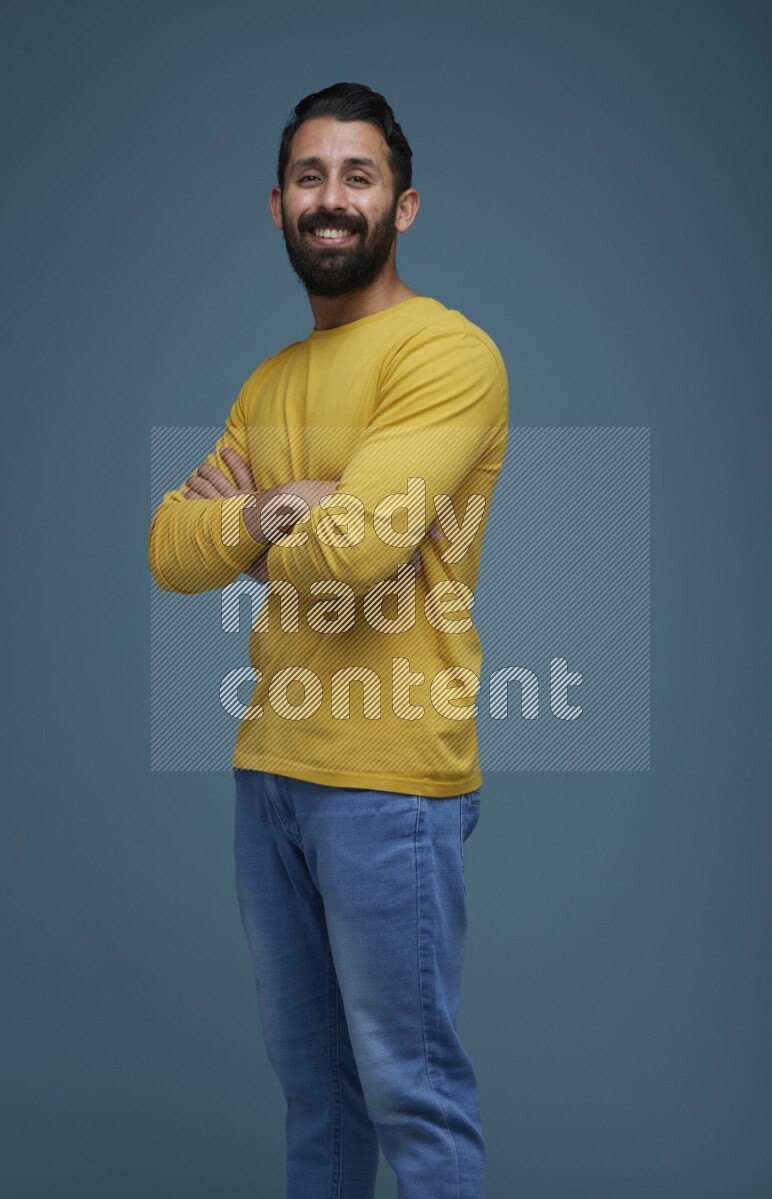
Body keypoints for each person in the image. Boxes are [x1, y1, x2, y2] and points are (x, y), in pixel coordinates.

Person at [148, 81, 508, 1199]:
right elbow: (170, 547)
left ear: (402, 205)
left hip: (387, 777)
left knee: (410, 1087)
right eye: (310, 176)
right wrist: (274, 510)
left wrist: (255, 527)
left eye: (357, 175)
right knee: (316, 1092)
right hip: (270, 768)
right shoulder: (270, 380)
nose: (332, 197)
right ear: (275, 206)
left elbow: (359, 553)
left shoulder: (446, 356)